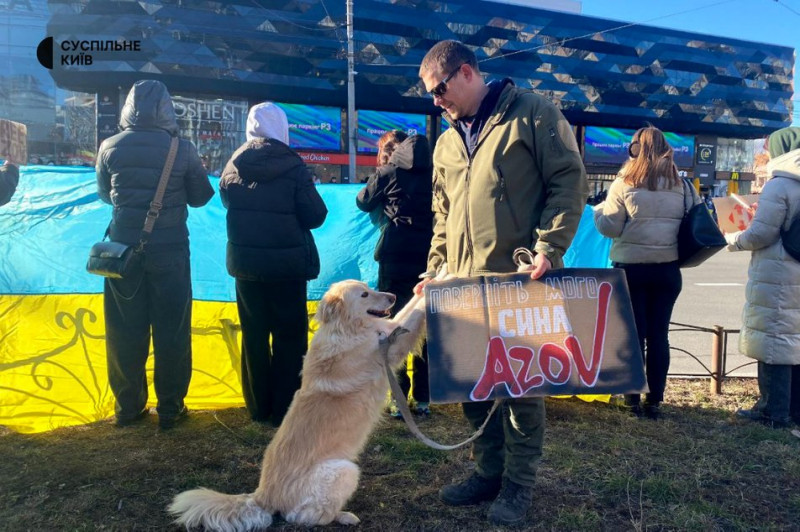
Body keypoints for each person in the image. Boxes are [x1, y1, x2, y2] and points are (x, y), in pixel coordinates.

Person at [416, 40, 588, 525]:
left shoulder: (533, 114)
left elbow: (567, 182)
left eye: (439, 89)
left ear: (467, 73)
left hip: (518, 282)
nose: (436, 100)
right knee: (472, 383)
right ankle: (488, 472)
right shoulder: (447, 140)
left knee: (520, 390)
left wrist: (548, 248)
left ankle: (518, 486)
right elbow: (443, 213)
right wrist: (435, 268)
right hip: (462, 286)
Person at [96, 79, 214, 430]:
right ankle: (170, 407)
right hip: (171, 251)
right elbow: (201, 197)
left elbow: (106, 195)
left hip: (121, 252)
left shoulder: (109, 146)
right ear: (167, 108)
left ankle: (128, 408)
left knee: (124, 330)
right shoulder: (183, 149)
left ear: (127, 107)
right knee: (172, 331)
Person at [219, 102, 328, 426]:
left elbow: (227, 200)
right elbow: (316, 215)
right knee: (290, 336)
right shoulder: (294, 168)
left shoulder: (233, 166)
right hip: (287, 267)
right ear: (282, 129)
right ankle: (286, 409)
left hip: (246, 266)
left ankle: (257, 408)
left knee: (253, 334)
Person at [594, 126, 701, 420]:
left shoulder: (623, 183)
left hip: (631, 270)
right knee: (659, 336)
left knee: (634, 335)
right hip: (667, 270)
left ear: (634, 149)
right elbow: (696, 219)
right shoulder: (682, 185)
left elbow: (610, 228)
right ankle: (655, 401)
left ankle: (632, 401)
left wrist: (597, 213)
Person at [725, 126, 800, 428]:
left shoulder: (780, 185)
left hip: (779, 273)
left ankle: (772, 411)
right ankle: (794, 411)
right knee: (795, 339)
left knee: (773, 339)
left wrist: (734, 239)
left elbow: (762, 234)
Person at [356, 130, 433, 418]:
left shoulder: (388, 172)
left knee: (392, 327)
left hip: (395, 254)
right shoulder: (436, 172)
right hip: (429, 256)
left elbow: (363, 201)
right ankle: (423, 399)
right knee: (423, 328)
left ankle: (398, 399)